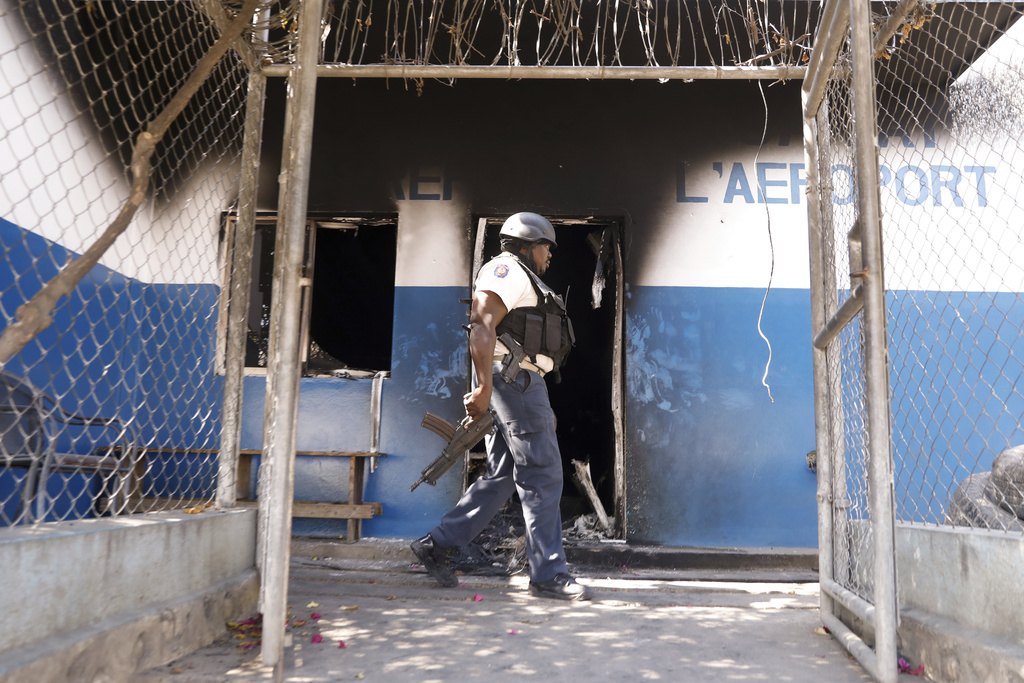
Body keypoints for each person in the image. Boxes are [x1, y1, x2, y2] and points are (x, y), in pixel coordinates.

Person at [411, 212, 591, 601]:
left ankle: (438, 544)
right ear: (526, 245)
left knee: (504, 475)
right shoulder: (506, 271)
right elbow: (481, 325)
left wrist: (533, 398)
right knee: (542, 474)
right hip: (510, 382)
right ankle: (548, 574)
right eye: (546, 247)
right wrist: (484, 389)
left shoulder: (527, 279)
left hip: (522, 385)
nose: (550, 255)